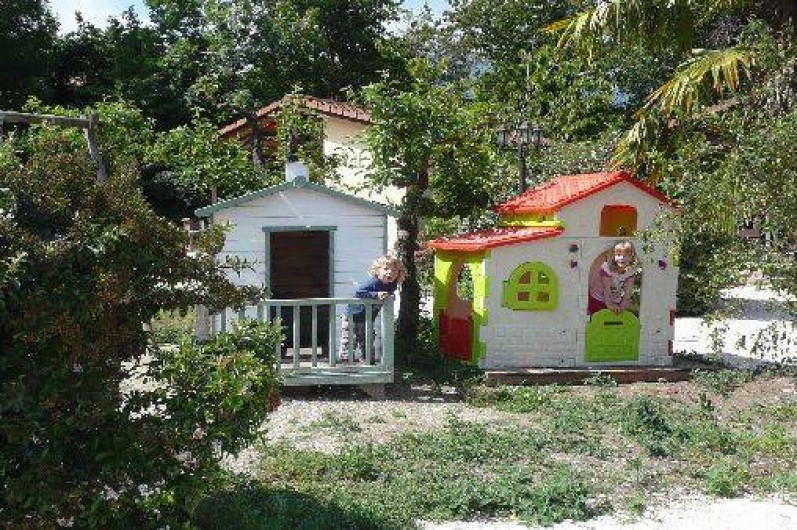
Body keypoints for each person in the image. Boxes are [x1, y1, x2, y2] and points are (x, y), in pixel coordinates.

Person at [338, 255, 406, 363]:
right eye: (386, 269)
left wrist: (390, 296)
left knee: (367, 339)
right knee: (350, 339)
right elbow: (358, 292)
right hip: (352, 315)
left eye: (394, 270)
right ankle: (345, 361)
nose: (390, 272)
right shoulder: (374, 282)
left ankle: (368, 360)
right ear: (377, 271)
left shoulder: (392, 285)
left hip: (368, 318)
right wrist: (375, 294)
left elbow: (388, 294)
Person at [588, 240, 639, 316]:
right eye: (618, 255)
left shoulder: (630, 271)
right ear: (614, 256)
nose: (622, 258)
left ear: (632, 257)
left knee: (613, 318)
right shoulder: (607, 269)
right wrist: (610, 305)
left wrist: (622, 306)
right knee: (596, 318)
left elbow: (628, 292)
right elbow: (606, 290)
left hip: (614, 298)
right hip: (598, 297)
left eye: (626, 255)